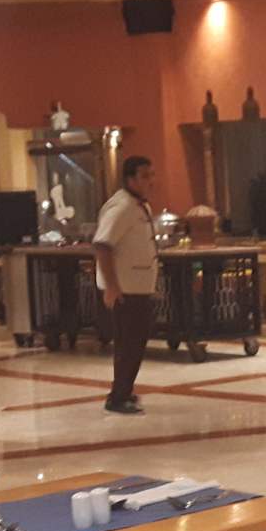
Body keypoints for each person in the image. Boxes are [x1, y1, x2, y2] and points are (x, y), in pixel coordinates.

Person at [94, 155, 161, 415]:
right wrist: (112, 286)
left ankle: (125, 390)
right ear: (130, 179)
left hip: (139, 287)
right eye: (144, 176)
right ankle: (118, 397)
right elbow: (103, 245)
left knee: (136, 342)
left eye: (151, 175)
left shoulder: (140, 206)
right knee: (128, 344)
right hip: (125, 289)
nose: (151, 181)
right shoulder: (121, 207)